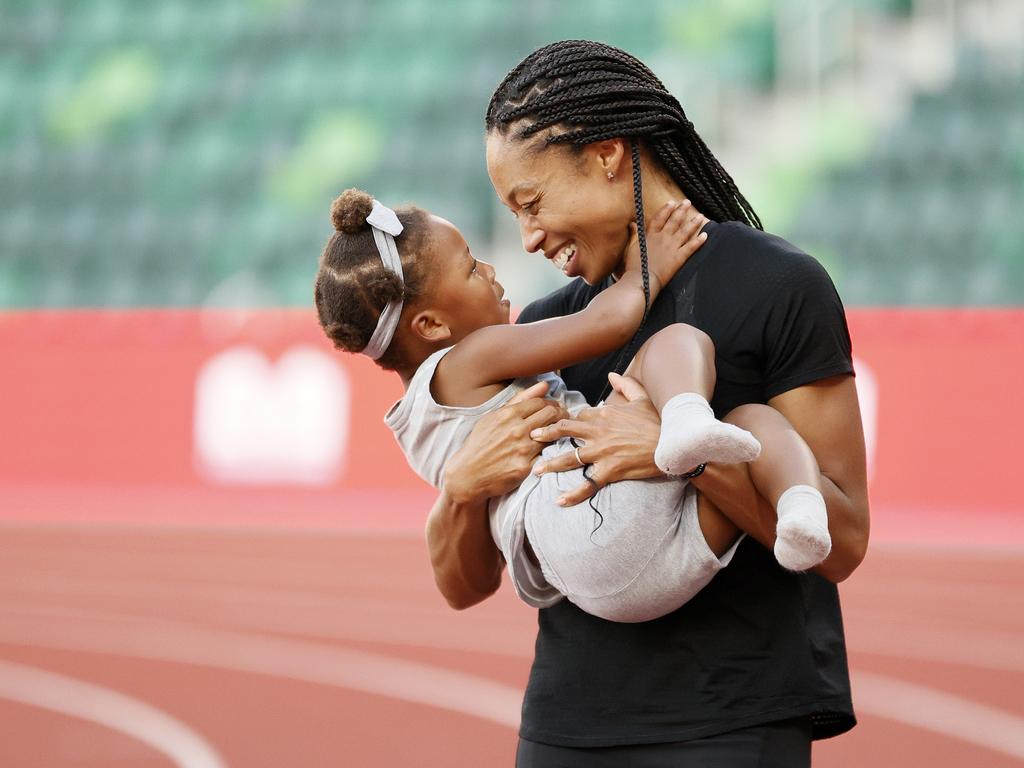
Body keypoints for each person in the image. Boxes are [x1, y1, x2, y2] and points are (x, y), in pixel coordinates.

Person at [425, 40, 870, 766]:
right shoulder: (542, 329)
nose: (528, 237)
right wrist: (461, 488)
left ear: (606, 155)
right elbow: (464, 586)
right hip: (565, 727)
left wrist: (678, 456)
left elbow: (842, 540)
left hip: (731, 726)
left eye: (531, 203)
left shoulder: (782, 287)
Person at [314, 187, 831, 624]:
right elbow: (604, 324)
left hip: (596, 586)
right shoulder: (472, 356)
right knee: (682, 347)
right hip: (579, 508)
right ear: (431, 327)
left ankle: (798, 519)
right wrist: (650, 267)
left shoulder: (412, 423)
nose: (491, 269)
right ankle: (695, 428)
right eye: (472, 267)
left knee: (745, 433)